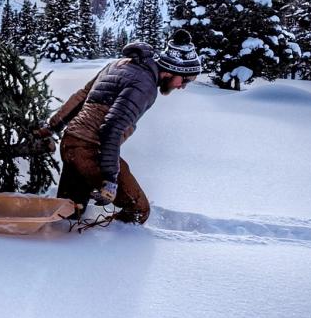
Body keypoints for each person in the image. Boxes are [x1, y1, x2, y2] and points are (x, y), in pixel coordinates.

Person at [38, 29, 202, 224]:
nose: (183, 86)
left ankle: (65, 239)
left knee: (70, 211)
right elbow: (112, 128)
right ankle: (108, 241)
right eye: (185, 79)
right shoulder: (144, 85)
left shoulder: (117, 64)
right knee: (138, 209)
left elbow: (81, 97)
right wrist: (110, 178)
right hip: (90, 150)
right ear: (171, 70)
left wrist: (52, 127)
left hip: (71, 143)